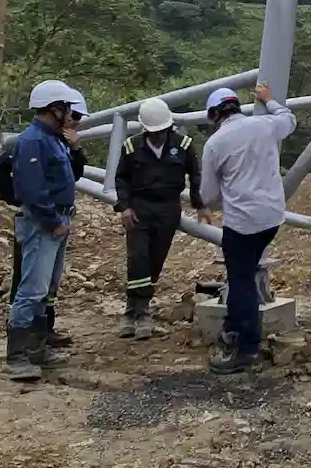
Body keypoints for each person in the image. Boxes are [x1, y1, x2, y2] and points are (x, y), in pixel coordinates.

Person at [199, 82, 297, 375]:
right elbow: (289, 120)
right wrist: (270, 100)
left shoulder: (215, 144)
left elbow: (208, 195)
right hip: (272, 218)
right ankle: (232, 327)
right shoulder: (265, 125)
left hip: (241, 223)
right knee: (245, 272)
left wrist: (219, 199)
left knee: (241, 281)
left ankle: (247, 349)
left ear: (214, 115)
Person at [114, 97, 207, 339]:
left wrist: (198, 203)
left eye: (162, 132)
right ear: (145, 129)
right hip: (140, 208)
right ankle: (140, 313)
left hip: (168, 209)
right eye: (153, 132)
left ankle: (134, 307)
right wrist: (125, 207)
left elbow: (195, 175)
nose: (158, 136)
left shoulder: (183, 145)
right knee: (138, 258)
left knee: (155, 260)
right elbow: (121, 178)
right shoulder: (132, 146)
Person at [6, 79, 79, 382]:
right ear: (54, 109)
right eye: (66, 108)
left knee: (45, 288)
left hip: (56, 220)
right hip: (43, 223)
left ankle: (36, 348)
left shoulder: (51, 139)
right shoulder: (33, 141)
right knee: (32, 290)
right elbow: (32, 189)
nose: (71, 114)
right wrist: (53, 221)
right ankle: (16, 357)